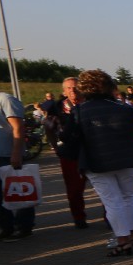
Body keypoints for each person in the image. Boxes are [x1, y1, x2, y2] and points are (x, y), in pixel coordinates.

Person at [70, 70, 133, 255]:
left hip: (97, 161)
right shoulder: (124, 108)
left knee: (112, 202)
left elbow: (69, 137)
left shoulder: (79, 110)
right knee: (130, 197)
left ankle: (123, 241)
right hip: (128, 158)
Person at [43, 77, 90, 228]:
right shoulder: (57, 108)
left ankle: (110, 217)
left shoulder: (90, 105)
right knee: (74, 189)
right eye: (69, 88)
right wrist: (55, 147)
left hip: (93, 151)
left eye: (75, 87)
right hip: (70, 152)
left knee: (104, 186)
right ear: (64, 91)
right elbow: (48, 128)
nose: (72, 90)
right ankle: (79, 217)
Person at [0, 90, 35, 241]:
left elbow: (18, 127)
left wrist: (16, 153)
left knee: (18, 191)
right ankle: (6, 227)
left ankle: (24, 226)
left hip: (7, 154)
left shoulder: (5, 99)